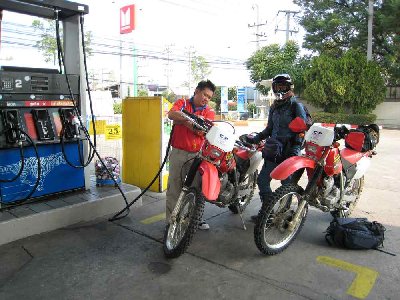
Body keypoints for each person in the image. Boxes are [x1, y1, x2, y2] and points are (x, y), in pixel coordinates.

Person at [246, 74, 307, 221]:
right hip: (273, 150)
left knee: (285, 184)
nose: (280, 89)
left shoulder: (295, 106)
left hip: (288, 151)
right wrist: (255, 138)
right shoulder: (274, 107)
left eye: (283, 86)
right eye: (277, 86)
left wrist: (295, 150)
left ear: (289, 87)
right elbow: (269, 129)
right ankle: (268, 213)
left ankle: (283, 215)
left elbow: (301, 130)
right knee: (262, 181)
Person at [166, 80, 216, 230]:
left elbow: (202, 130)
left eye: (209, 97)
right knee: (174, 186)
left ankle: (193, 219)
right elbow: (172, 114)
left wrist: (184, 120)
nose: (206, 99)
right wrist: (192, 121)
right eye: (204, 94)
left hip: (198, 155)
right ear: (197, 91)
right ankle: (171, 221)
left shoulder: (209, 111)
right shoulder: (182, 102)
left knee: (196, 189)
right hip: (178, 153)